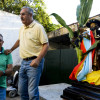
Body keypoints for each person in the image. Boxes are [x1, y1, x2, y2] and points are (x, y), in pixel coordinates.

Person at [5, 6, 49, 100]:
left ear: (30, 14)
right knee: (21, 90)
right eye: (20, 14)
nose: (21, 16)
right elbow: (19, 40)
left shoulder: (38, 27)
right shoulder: (22, 28)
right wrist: (11, 49)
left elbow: (46, 45)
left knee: (32, 92)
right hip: (23, 62)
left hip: (34, 62)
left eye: (23, 14)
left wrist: (38, 59)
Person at [0, 34, 13, 100]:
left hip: (1, 87)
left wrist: (2, 72)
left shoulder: (7, 54)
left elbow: (10, 70)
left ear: (2, 42)